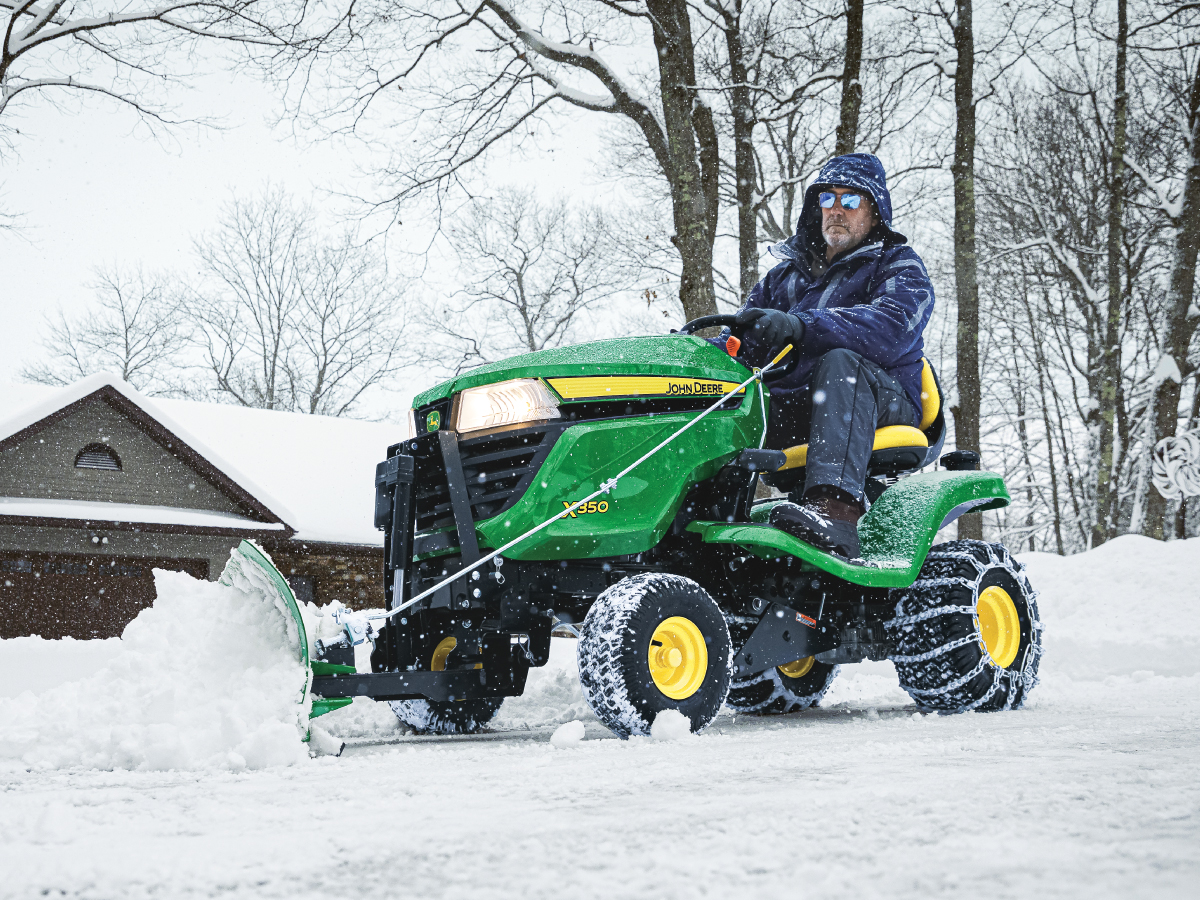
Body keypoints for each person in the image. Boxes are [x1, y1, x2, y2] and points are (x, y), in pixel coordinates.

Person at [729, 153, 935, 560]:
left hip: (880, 399)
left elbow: (891, 329)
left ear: (875, 213)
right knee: (718, 390)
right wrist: (693, 355)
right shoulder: (782, 279)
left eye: (850, 200)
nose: (836, 209)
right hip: (797, 406)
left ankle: (836, 512)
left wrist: (801, 326)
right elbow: (739, 339)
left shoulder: (898, 266)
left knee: (841, 363)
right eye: (828, 199)